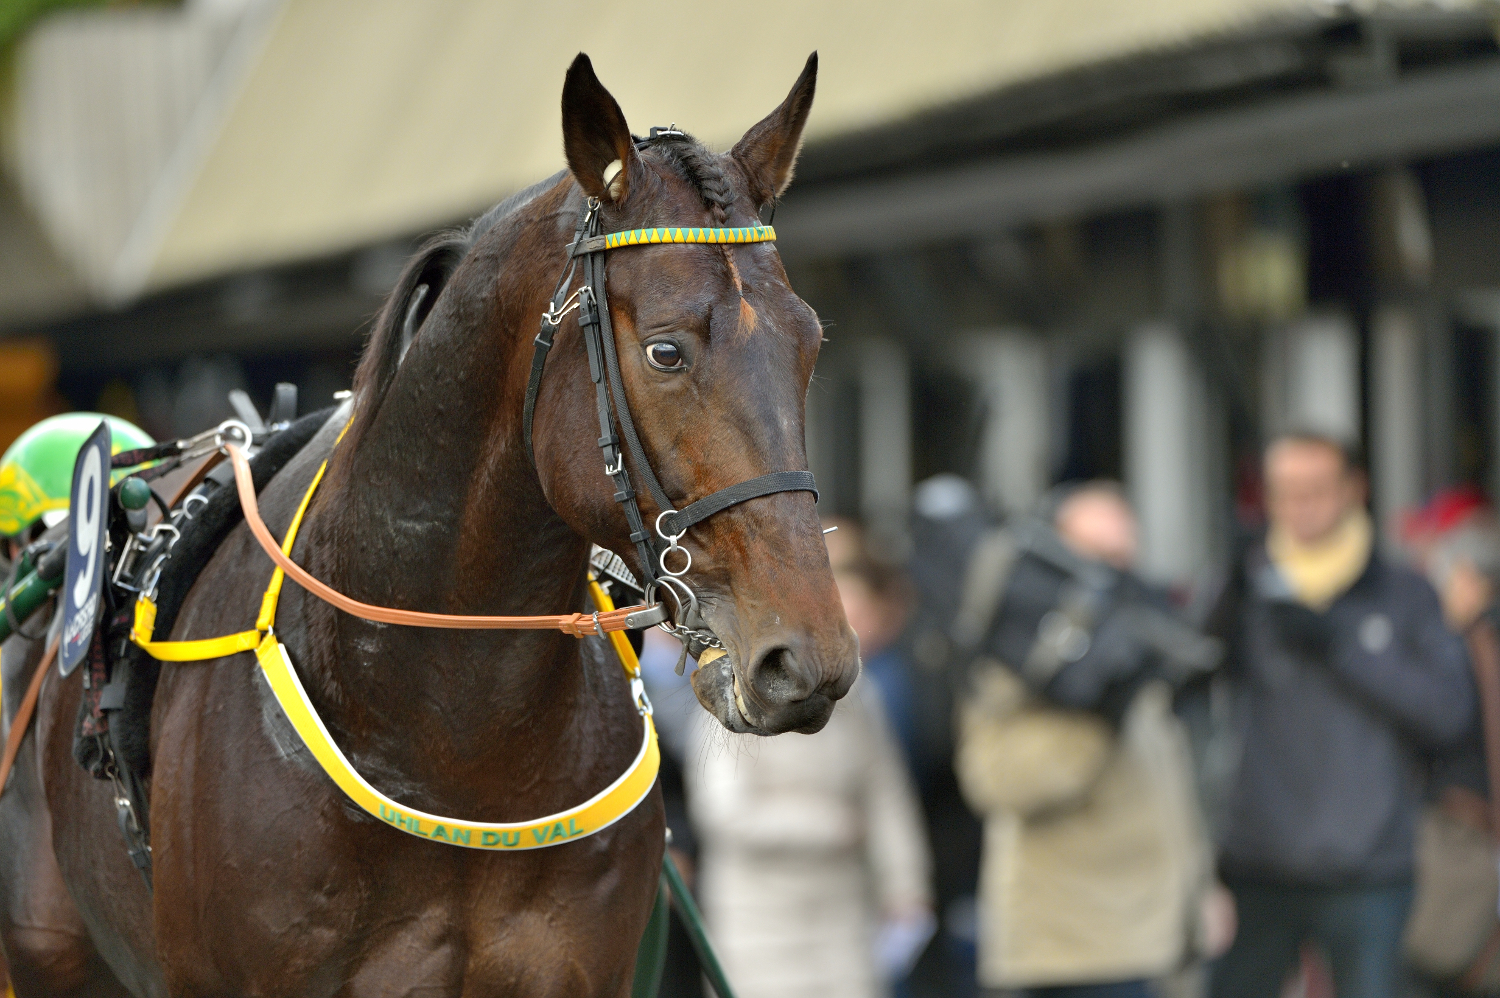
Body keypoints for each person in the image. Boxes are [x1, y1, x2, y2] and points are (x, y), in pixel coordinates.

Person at [1207, 433, 1475, 998]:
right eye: (1285, 492)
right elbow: (1188, 682)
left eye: (1316, 490)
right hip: (1262, 862)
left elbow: (1448, 715)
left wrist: (1344, 647)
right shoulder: (1248, 587)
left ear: (1355, 489)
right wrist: (1218, 612)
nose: (1301, 507)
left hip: (1370, 867)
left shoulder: (1402, 592)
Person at [955, 482, 1222, 998]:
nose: (1113, 573)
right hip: (1071, 951)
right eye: (1097, 555)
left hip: (1154, 937)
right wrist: (1097, 714)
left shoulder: (1131, 639)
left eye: (1124, 556)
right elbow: (995, 782)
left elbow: (1169, 790)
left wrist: (1201, 891)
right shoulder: (1012, 659)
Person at [686, 529, 934, 998]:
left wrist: (906, 885)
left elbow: (886, 793)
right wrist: (826, 826)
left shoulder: (859, 697)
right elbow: (724, 811)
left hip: (844, 918)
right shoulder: (734, 695)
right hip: (758, 922)